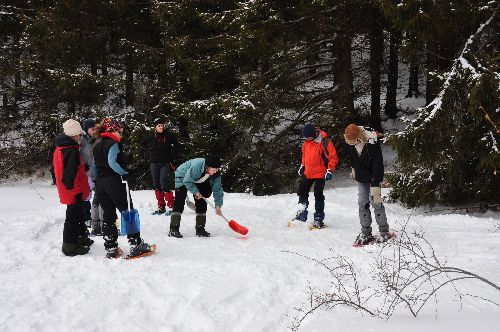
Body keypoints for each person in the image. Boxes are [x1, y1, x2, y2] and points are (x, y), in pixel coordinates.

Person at [92, 118, 152, 258]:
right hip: (115, 182)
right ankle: (136, 244)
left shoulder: (97, 145)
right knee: (128, 210)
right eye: (120, 131)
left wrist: (97, 181)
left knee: (108, 214)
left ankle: (111, 247)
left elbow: (94, 167)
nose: (121, 134)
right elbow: (111, 162)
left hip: (101, 184)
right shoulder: (113, 144)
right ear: (113, 130)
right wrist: (124, 173)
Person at [344, 123, 391, 244]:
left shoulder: (372, 142)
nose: (351, 144)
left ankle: (384, 230)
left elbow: (378, 164)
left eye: (353, 141)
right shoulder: (349, 140)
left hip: (373, 176)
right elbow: (352, 158)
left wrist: (376, 184)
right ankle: (365, 231)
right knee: (362, 202)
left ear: (359, 137)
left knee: (375, 201)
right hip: (361, 176)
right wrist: (353, 169)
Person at [53, 119, 93, 256]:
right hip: (73, 190)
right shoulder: (70, 150)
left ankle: (81, 236)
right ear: (74, 135)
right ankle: (69, 246)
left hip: (72, 189)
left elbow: (55, 170)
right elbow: (69, 174)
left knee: (78, 213)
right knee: (72, 216)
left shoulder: (63, 148)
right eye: (79, 135)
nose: (80, 137)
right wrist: (75, 190)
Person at [293, 123, 338, 228]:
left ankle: (318, 217)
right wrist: (302, 165)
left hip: (320, 173)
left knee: (318, 194)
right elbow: (304, 155)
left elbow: (333, 157)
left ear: (314, 134)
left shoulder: (324, 141)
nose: (307, 138)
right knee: (302, 191)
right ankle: (301, 214)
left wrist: (330, 170)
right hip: (307, 173)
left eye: (309, 136)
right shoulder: (306, 143)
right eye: (306, 137)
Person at [169, 156, 223, 238]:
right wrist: (196, 192)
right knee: (179, 201)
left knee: (202, 201)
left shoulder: (215, 174)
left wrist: (218, 205)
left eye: (217, 170)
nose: (215, 172)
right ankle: (173, 229)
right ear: (207, 167)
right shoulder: (197, 166)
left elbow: (218, 189)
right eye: (214, 170)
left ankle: (200, 229)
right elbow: (187, 180)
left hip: (198, 179)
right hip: (183, 177)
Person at [142, 118, 179, 215]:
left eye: (162, 125)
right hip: (154, 163)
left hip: (165, 163)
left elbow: (177, 145)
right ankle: (161, 207)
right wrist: (149, 153)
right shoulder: (151, 137)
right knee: (156, 184)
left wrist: (172, 156)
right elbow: (142, 144)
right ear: (155, 127)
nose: (161, 127)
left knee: (164, 183)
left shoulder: (168, 136)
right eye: (159, 126)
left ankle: (171, 206)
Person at [80, 118, 97, 227]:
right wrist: (82, 165)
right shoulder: (82, 139)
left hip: (94, 171)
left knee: (90, 195)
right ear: (86, 129)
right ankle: (85, 217)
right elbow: (75, 152)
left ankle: (90, 217)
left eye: (95, 128)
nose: (94, 130)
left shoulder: (95, 138)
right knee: (86, 195)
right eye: (92, 128)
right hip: (86, 172)